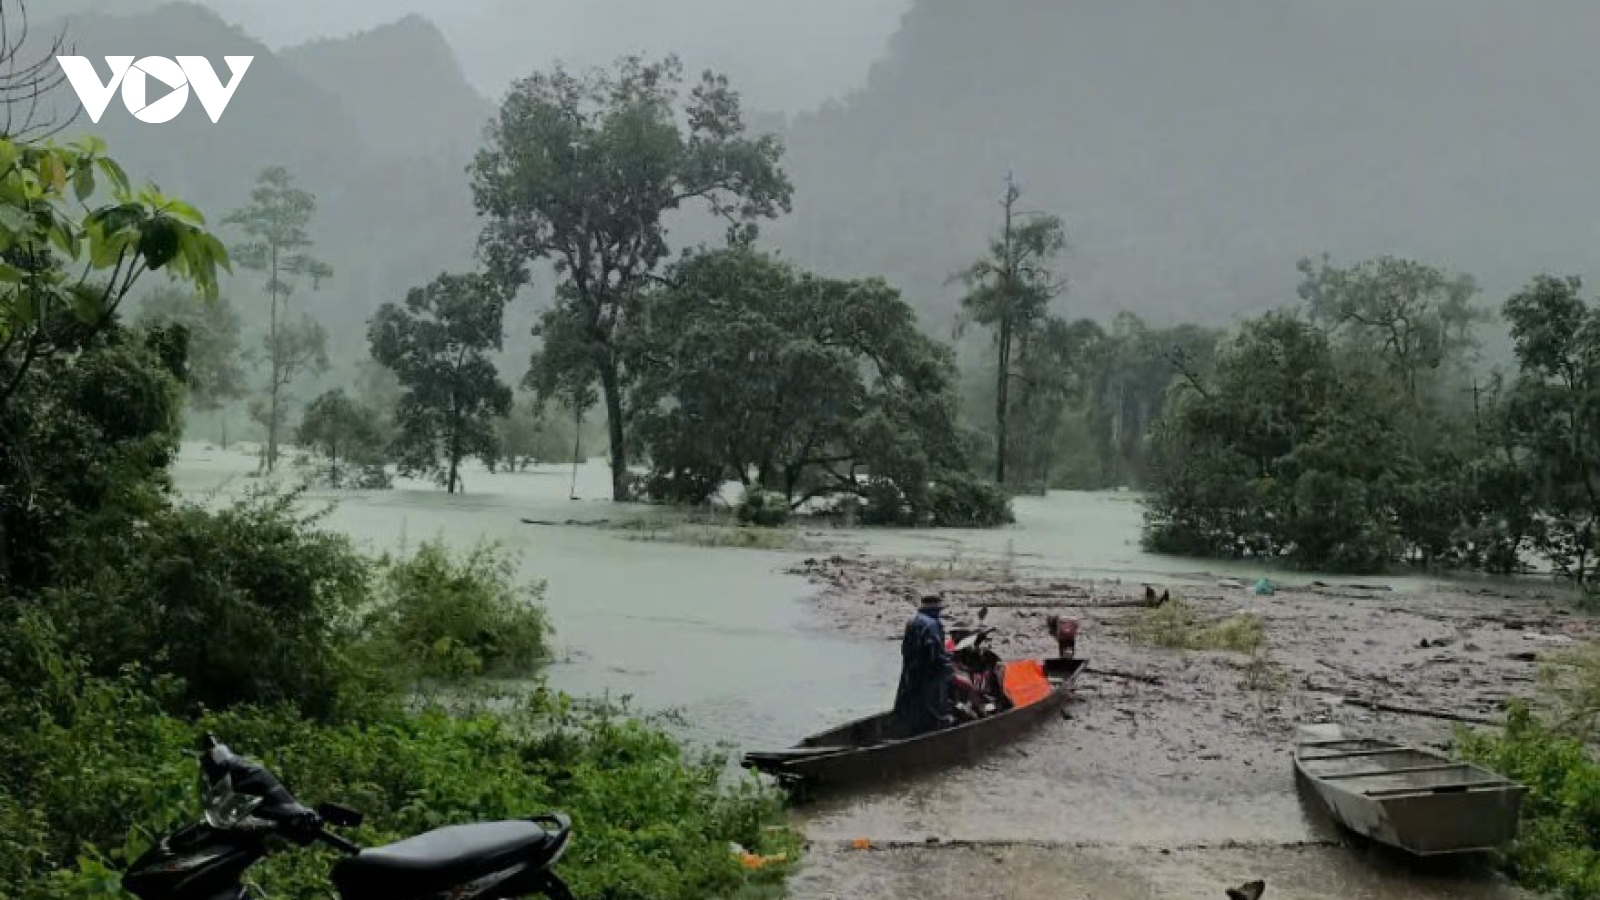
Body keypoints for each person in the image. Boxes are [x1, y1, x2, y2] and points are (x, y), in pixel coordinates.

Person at [894, 594, 955, 735]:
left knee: (914, 701)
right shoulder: (933, 624)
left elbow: (905, 648)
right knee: (934, 700)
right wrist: (948, 665)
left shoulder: (912, 622)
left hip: (911, 670)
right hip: (928, 671)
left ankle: (912, 728)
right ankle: (937, 725)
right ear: (935, 610)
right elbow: (934, 652)